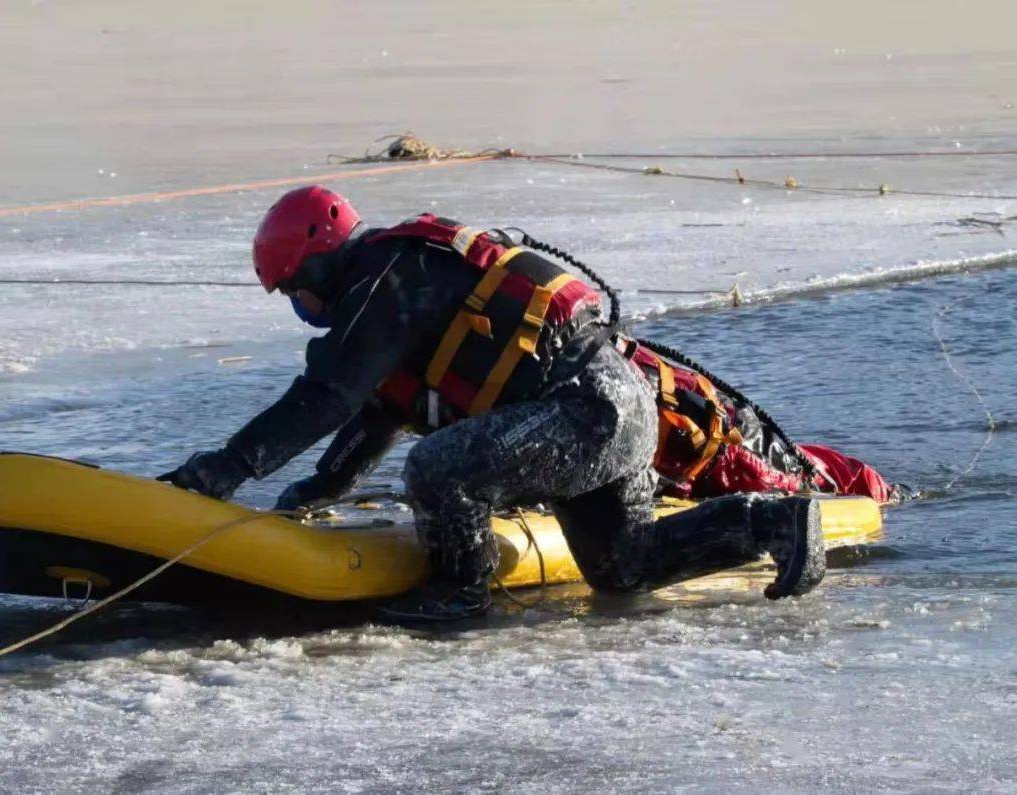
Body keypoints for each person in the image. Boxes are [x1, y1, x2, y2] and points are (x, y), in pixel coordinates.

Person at [160, 185, 828, 621]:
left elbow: (325, 396)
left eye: (291, 289)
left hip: (586, 412)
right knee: (626, 568)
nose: (297, 305)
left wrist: (224, 469)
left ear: (315, 263)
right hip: (614, 408)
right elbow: (376, 416)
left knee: (436, 469)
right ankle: (773, 522)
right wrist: (313, 491)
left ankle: (459, 592)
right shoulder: (400, 281)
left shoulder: (388, 280)